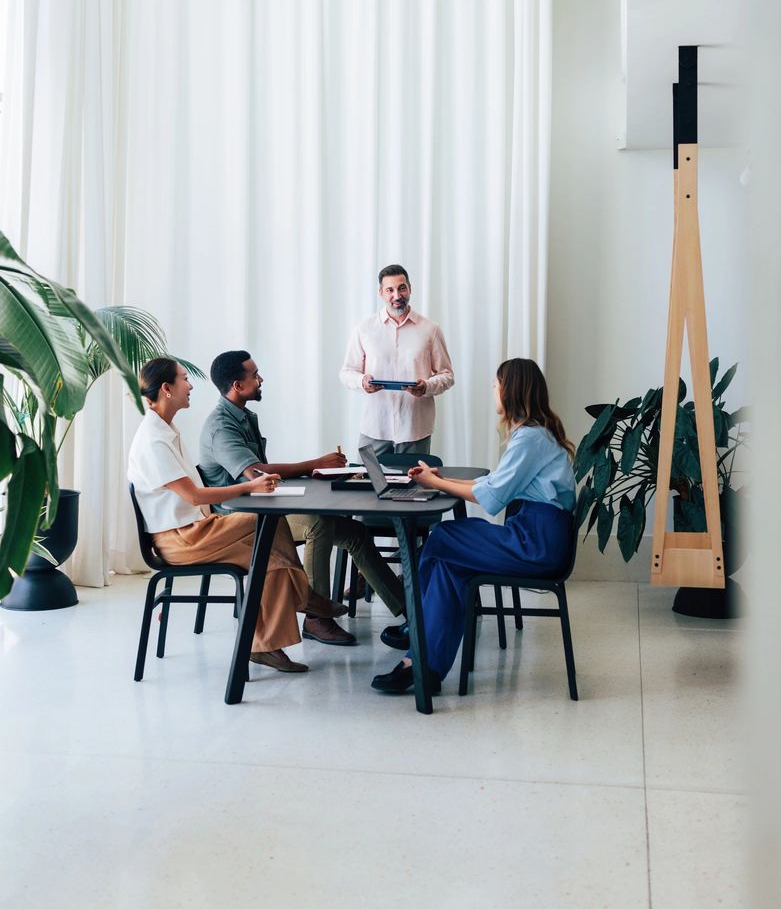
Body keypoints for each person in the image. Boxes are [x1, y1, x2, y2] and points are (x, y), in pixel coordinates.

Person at [127, 357, 348, 675]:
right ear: (166, 388)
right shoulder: (153, 439)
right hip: (180, 539)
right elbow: (194, 495)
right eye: (184, 379)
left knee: (269, 551)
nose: (190, 386)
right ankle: (304, 602)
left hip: (193, 529)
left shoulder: (165, 430)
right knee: (267, 525)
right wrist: (250, 488)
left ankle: (269, 642)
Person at [371, 357, 576, 695]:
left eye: (496, 385)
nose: (493, 391)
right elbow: (494, 484)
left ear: (511, 390)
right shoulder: (536, 434)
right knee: (451, 567)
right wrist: (440, 478)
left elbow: (490, 496)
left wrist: (436, 485)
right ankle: (423, 666)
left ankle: (416, 627)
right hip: (535, 534)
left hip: (536, 544)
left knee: (445, 535)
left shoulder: (530, 439)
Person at [197, 350, 407, 646]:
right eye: (254, 375)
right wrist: (314, 465)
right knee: (317, 524)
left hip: (264, 507)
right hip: (241, 520)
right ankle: (316, 619)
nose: (261, 380)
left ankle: (409, 611)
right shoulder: (221, 426)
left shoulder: (242, 416)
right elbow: (255, 472)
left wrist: (318, 471)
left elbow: (263, 476)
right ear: (237, 385)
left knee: (356, 532)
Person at [339, 263, 454, 458]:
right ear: (381, 293)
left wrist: (426, 386)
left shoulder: (430, 330)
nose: (397, 296)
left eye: (402, 288)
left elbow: (447, 375)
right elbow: (347, 372)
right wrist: (362, 382)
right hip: (375, 426)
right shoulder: (364, 329)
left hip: (415, 428)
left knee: (415, 486)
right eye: (390, 290)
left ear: (410, 288)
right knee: (364, 483)